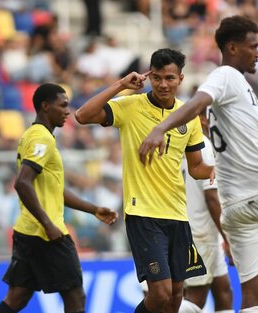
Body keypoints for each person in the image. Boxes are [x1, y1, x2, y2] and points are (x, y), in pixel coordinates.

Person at [138, 15, 258, 312]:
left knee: (252, 296)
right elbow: (197, 101)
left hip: (236, 211)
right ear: (232, 47)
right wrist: (160, 128)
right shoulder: (226, 76)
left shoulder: (239, 89)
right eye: (253, 46)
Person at [75, 48, 213, 313]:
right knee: (159, 293)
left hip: (177, 214)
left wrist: (217, 171)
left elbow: (196, 167)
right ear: (149, 76)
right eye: (157, 77)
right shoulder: (131, 106)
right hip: (143, 213)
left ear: (180, 79)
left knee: (175, 297)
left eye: (170, 78)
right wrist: (120, 85)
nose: (163, 84)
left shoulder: (188, 116)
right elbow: (82, 116)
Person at [0, 83, 118, 313]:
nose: (67, 111)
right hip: (46, 234)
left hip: (27, 231)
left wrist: (93, 209)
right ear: (45, 106)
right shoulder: (42, 139)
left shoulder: (33, 136)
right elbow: (22, 183)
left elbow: (54, 190)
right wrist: (48, 224)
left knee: (17, 298)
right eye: (62, 105)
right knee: (75, 297)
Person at [179, 107, 234, 313]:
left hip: (201, 232)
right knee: (195, 299)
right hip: (200, 234)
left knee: (224, 291)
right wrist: (228, 238)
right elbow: (212, 197)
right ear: (202, 119)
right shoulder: (205, 146)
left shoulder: (180, 145)